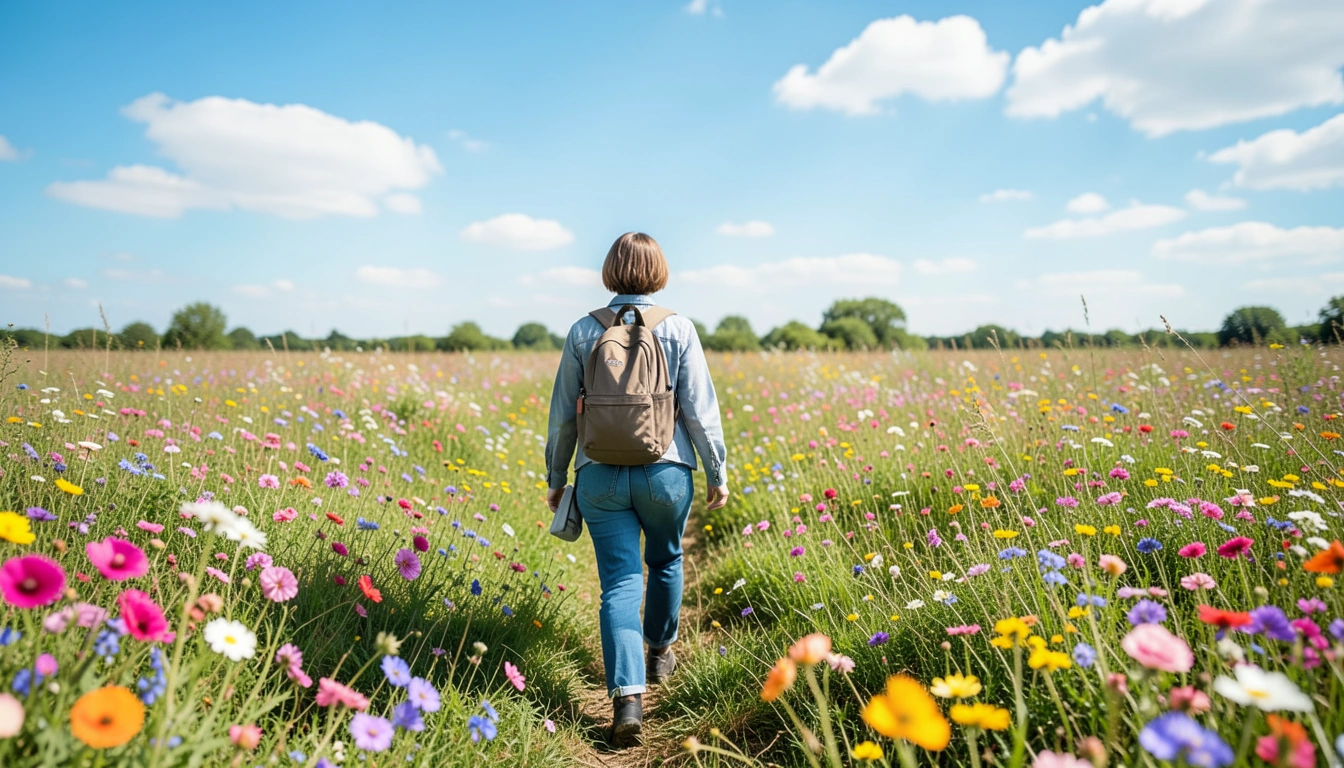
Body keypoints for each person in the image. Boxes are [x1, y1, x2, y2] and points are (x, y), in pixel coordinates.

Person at [545, 232, 729, 747]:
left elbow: (562, 416)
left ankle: (628, 699)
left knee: (620, 582)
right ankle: (659, 652)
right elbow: (699, 410)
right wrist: (717, 472)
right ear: (659, 271)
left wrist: (557, 479)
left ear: (609, 271)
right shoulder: (679, 328)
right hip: (666, 471)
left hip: (599, 473)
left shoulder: (584, 330)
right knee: (666, 560)